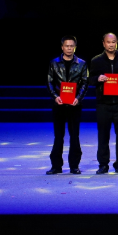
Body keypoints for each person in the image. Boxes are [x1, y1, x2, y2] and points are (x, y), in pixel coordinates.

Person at [89, 33, 118, 175]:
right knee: (103, 135)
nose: (111, 44)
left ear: (116, 43)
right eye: (108, 42)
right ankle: (103, 164)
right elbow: (90, 79)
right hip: (103, 103)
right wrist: (98, 78)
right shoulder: (96, 60)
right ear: (103, 43)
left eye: (113, 42)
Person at [45, 36, 89, 175]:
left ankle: (74, 166)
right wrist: (55, 96)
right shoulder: (54, 63)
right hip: (59, 104)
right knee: (58, 136)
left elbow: (85, 83)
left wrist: (78, 98)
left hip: (74, 105)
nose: (69, 48)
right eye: (66, 46)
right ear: (62, 47)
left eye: (71, 46)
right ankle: (56, 166)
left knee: (74, 136)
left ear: (74, 47)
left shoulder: (82, 64)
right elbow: (49, 81)